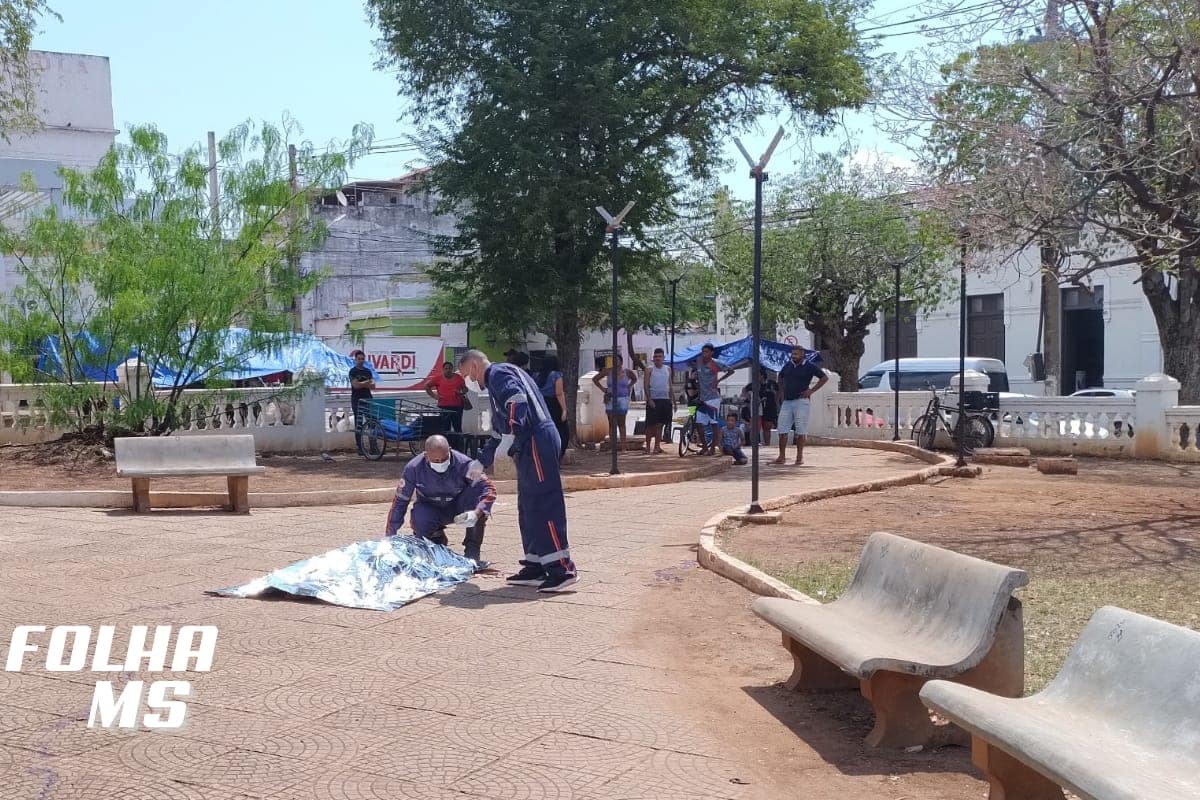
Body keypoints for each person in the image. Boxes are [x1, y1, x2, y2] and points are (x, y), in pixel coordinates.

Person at [458, 349, 578, 592]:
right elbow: (498, 431)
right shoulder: (497, 380)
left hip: (536, 441)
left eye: (466, 376)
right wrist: (481, 461)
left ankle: (562, 568)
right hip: (528, 443)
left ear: (474, 367)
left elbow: (517, 401)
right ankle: (536, 563)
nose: (468, 382)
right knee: (528, 506)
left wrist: (511, 433)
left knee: (544, 504)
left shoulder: (498, 374)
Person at [384, 435, 495, 564]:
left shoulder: (464, 464)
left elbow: (489, 488)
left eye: (444, 459)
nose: (441, 463)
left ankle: (472, 551)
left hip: (459, 505)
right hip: (430, 506)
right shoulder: (413, 468)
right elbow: (400, 501)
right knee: (419, 519)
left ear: (450, 450)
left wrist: (477, 513)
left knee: (477, 499)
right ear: (426, 456)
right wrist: (390, 536)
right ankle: (437, 540)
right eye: (436, 461)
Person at [775, 345, 829, 466]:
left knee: (800, 430)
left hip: (801, 401)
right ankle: (781, 456)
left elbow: (824, 378)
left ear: (802, 354)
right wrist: (781, 390)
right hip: (787, 401)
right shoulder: (788, 365)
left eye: (796, 354)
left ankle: (799, 457)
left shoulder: (809, 366)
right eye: (792, 354)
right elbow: (780, 376)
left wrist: (811, 391)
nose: (793, 356)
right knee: (782, 429)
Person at [695, 344, 735, 456]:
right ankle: (704, 447)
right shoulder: (699, 361)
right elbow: (698, 377)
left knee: (713, 423)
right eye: (703, 352)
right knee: (698, 422)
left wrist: (719, 380)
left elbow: (731, 370)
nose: (704, 354)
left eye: (707, 352)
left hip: (713, 398)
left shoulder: (715, 363)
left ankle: (713, 447)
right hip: (702, 398)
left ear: (711, 353)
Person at [591, 354, 637, 450]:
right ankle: (613, 447)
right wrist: (603, 389)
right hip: (610, 398)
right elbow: (595, 379)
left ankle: (623, 446)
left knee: (621, 422)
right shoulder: (608, 371)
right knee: (612, 423)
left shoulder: (627, 372)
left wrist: (629, 386)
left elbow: (634, 379)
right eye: (613, 360)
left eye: (617, 360)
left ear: (621, 362)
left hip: (622, 398)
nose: (615, 362)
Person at [536, 355, 570, 459]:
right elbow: (559, 393)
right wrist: (564, 410)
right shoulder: (556, 375)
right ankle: (558, 454)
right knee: (562, 431)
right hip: (554, 404)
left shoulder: (536, 376)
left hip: (541, 404)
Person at [425, 361, 469, 436]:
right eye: (446, 368)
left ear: (452, 369)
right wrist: (434, 396)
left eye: (449, 368)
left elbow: (465, 389)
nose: (448, 370)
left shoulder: (458, 378)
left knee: (458, 428)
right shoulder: (438, 378)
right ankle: (446, 443)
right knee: (445, 429)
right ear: (443, 369)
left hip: (457, 407)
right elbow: (427, 386)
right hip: (443, 407)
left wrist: (461, 392)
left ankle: (458, 443)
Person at [643, 348, 673, 454]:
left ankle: (657, 447)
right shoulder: (649, 369)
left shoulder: (668, 369)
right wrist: (649, 399)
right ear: (653, 358)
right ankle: (647, 447)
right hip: (653, 400)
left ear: (663, 358)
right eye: (656, 356)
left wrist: (672, 401)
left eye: (660, 356)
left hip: (665, 400)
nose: (657, 358)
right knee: (650, 425)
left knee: (660, 424)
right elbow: (646, 385)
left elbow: (670, 385)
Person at [349, 350, 376, 458]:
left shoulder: (368, 371)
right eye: (359, 359)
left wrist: (362, 384)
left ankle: (373, 447)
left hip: (368, 399)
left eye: (362, 359)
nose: (361, 361)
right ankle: (360, 448)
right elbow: (355, 386)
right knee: (359, 424)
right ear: (355, 360)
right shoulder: (353, 371)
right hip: (357, 401)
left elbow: (373, 386)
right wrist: (366, 383)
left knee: (372, 424)